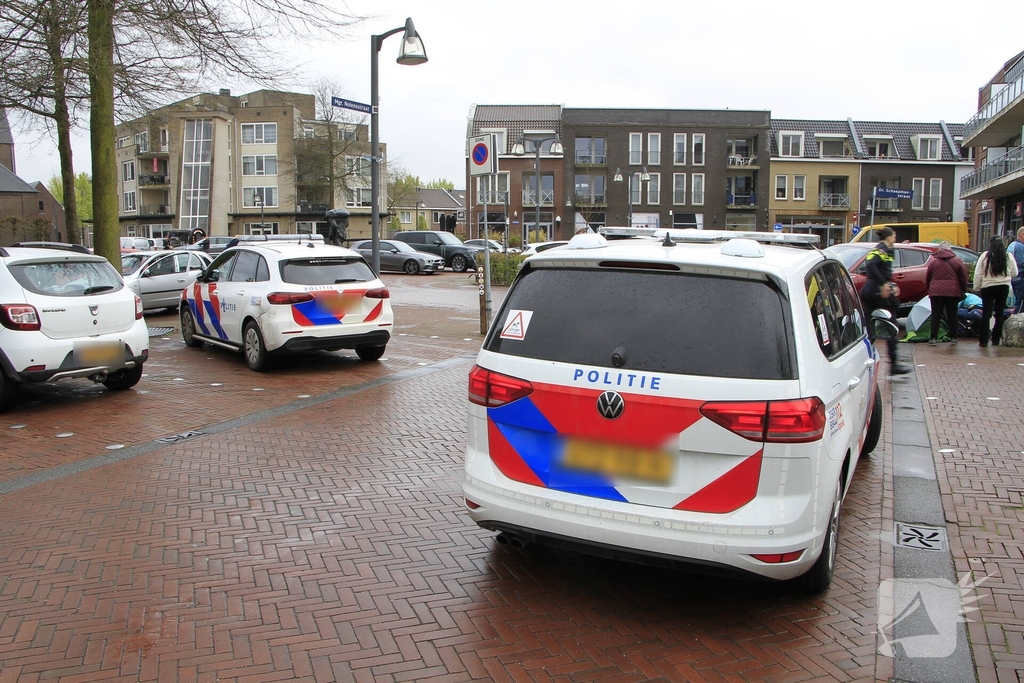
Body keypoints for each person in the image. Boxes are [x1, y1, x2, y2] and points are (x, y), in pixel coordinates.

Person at [860, 226, 910, 374]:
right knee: (891, 326)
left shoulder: (880, 250)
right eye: (894, 236)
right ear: (888, 237)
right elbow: (871, 265)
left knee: (870, 327)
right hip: (876, 292)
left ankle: (861, 358)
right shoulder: (882, 250)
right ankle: (894, 365)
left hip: (870, 290)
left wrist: (890, 284)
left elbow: (875, 268)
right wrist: (882, 284)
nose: (895, 239)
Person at [973, 234, 1019, 347]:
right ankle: (996, 339)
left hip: (988, 287)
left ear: (990, 244)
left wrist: (976, 288)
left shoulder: (985, 256)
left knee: (986, 313)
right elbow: (1015, 273)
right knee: (999, 313)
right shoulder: (1008, 256)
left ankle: (983, 340)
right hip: (1003, 286)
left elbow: (978, 274)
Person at [924, 241, 968, 346]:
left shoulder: (933, 262)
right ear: (950, 249)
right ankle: (954, 337)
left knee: (936, 315)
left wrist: (930, 288)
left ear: (939, 249)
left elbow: (928, 277)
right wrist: (962, 289)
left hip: (936, 291)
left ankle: (933, 338)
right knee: (952, 314)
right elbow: (963, 277)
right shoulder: (957, 261)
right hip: (952, 291)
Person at [1007, 227, 1024, 313]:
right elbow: (1021, 262)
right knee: (1020, 301)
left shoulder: (1012, 245)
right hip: (1020, 276)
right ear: (1023, 235)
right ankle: (1016, 316)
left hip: (1012, 276)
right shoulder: (1020, 246)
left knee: (1015, 300)